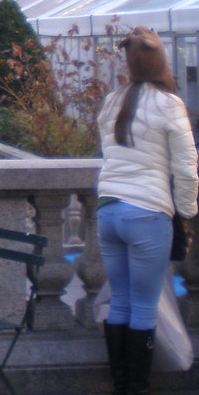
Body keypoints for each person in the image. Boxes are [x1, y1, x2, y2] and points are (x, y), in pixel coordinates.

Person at [97, 27, 198, 395]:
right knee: (143, 305)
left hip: (109, 210)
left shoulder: (113, 100)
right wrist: (185, 212)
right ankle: (136, 387)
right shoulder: (168, 104)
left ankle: (119, 381)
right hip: (147, 211)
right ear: (161, 62)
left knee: (120, 300)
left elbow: (109, 154)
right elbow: (186, 167)